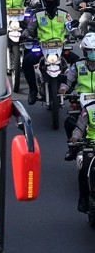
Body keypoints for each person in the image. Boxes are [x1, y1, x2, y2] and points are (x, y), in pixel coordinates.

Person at [23, 0, 74, 104]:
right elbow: (30, 29)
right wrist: (26, 34)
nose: (51, 0)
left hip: (60, 47)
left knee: (77, 62)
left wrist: (76, 33)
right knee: (26, 62)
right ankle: (33, 90)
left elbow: (72, 28)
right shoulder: (37, 15)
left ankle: (71, 90)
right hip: (42, 48)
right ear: (43, 0)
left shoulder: (64, 14)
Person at [65, 33, 95, 213]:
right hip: (92, 143)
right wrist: (76, 139)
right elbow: (80, 126)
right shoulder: (78, 66)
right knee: (84, 171)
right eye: (90, 51)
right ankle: (83, 199)